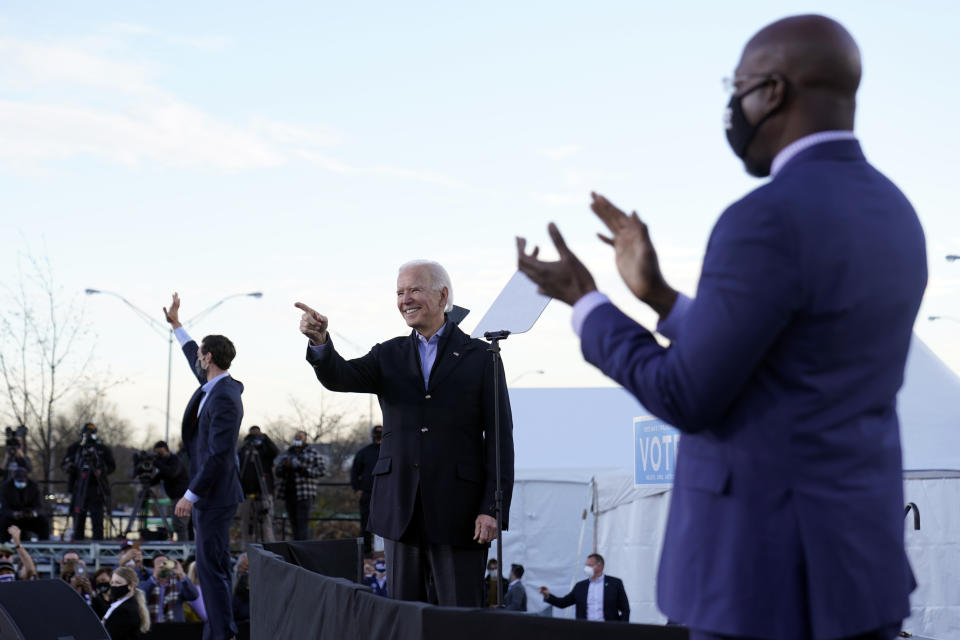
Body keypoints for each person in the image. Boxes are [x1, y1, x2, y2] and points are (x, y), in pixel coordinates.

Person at [516, 14, 923, 640]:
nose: (733, 106)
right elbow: (790, 357)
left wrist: (587, 303)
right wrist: (658, 296)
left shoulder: (763, 218)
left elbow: (686, 393)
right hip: (860, 572)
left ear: (774, 91)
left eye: (737, 87)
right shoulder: (897, 213)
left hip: (758, 575)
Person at [296, 259, 515, 607]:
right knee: (403, 617)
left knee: (458, 620)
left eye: (414, 289)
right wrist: (321, 341)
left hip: (460, 513)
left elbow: (500, 438)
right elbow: (340, 376)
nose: (405, 299)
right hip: (400, 511)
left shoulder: (480, 356)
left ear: (442, 295)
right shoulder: (389, 354)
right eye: (399, 292)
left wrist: (492, 508)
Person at [164, 292, 244, 640]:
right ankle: (219, 630)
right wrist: (177, 326)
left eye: (200, 355)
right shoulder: (213, 386)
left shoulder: (225, 396)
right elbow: (190, 354)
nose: (197, 358)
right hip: (212, 495)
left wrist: (190, 495)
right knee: (212, 568)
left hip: (214, 495)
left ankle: (222, 633)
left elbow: (219, 455)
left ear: (209, 358)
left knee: (212, 571)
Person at [61, 422, 116, 540]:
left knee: (97, 520)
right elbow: (64, 464)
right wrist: (70, 467)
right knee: (78, 519)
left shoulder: (102, 448)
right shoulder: (75, 448)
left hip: (96, 488)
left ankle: (98, 544)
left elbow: (112, 466)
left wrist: (102, 470)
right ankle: (78, 543)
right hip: (79, 487)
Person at [538, 554, 628, 622]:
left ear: (600, 566)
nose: (586, 568)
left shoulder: (615, 584)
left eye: (590, 565)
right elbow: (563, 603)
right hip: (585, 630)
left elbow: (625, 609)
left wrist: (621, 628)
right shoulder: (580, 587)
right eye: (586, 565)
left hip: (608, 631)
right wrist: (548, 596)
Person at [274, 430, 324, 541]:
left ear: (305, 439)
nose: (297, 439)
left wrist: (302, 468)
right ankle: (296, 547)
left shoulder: (313, 453)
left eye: (300, 437)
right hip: (289, 493)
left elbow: (321, 471)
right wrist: (286, 466)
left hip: (305, 494)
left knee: (303, 523)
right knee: (294, 523)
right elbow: (277, 472)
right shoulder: (288, 453)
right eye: (296, 437)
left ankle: (304, 549)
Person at [237, 425, 279, 546]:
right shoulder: (245, 450)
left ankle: (271, 548)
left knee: (267, 522)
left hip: (264, 492)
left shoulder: (264, 449)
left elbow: (275, 452)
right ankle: (246, 551)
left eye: (256, 435)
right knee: (245, 523)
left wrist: (264, 438)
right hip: (246, 492)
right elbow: (238, 463)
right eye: (252, 435)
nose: (254, 438)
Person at [142, 554, 200, 623]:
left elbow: (193, 595)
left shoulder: (179, 584)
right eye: (158, 563)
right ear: (153, 568)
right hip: (152, 626)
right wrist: (154, 577)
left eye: (165, 563)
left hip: (174, 627)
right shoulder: (147, 583)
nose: (162, 565)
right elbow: (142, 597)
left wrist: (181, 573)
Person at [152, 441, 192, 541]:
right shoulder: (164, 464)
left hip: (181, 497)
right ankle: (184, 547)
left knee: (180, 525)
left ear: (166, 450)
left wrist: (157, 463)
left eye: (160, 453)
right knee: (178, 525)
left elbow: (171, 473)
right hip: (175, 497)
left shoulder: (175, 460)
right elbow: (159, 477)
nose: (159, 456)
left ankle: (183, 549)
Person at [351, 425, 382, 556]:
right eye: (377, 434)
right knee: (366, 523)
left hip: (386, 493)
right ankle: (366, 551)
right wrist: (357, 489)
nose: (378, 436)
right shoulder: (363, 453)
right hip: (367, 492)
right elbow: (354, 472)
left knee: (386, 523)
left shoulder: (391, 450)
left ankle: (382, 551)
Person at [0, 466, 49, 541]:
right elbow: (4, 507)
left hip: (31, 518)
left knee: (43, 521)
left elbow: (39, 506)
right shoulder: (6, 487)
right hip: (12, 518)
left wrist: (33, 513)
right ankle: (4, 545)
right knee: (3, 521)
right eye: (19, 481)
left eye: (22, 481)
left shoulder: (34, 487)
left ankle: (44, 545)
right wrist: (14, 514)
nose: (20, 483)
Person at [102, 566, 151, 640]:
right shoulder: (124, 605)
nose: (113, 586)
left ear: (131, 586)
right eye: (112, 582)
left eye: (118, 583)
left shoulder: (125, 610)